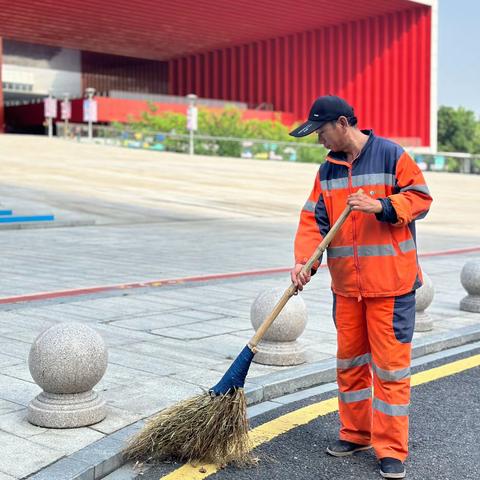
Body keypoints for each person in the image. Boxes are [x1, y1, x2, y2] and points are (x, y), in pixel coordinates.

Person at [289, 95, 432, 479]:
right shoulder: (327, 171)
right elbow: (313, 222)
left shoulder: (390, 155)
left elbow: (421, 198)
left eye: (320, 131)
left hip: (392, 288)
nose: (319, 139)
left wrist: (381, 206)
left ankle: (391, 449)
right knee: (350, 366)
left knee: (390, 371)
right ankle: (355, 432)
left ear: (341, 123)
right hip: (348, 289)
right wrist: (306, 262)